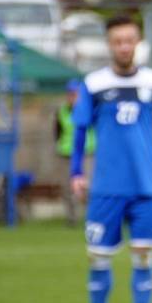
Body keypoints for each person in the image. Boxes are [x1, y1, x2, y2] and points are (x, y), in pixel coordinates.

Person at [71, 14, 152, 303]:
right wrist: (77, 172)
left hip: (145, 188)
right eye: (117, 41)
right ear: (109, 45)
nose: (124, 47)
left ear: (138, 43)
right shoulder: (94, 84)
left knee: (143, 254)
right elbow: (80, 131)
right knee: (98, 257)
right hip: (106, 187)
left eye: (129, 40)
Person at [54, 78, 95, 226]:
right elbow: (57, 132)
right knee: (67, 188)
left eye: (76, 94)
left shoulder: (90, 110)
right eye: (70, 94)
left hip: (87, 153)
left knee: (88, 187)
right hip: (67, 154)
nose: (73, 97)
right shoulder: (62, 111)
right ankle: (71, 219)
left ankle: (93, 217)